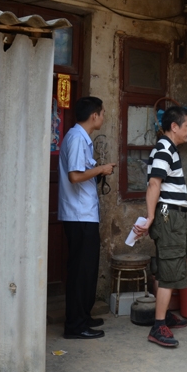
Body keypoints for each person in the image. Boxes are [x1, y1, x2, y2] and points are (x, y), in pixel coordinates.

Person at [133, 106, 187, 347]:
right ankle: (158, 326)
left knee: (167, 263)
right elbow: (154, 184)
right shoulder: (164, 149)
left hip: (170, 214)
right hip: (168, 214)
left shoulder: (168, 149)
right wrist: (150, 218)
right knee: (169, 266)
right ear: (174, 127)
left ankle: (164, 315)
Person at [58, 97, 116, 339]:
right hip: (78, 215)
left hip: (84, 214)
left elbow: (82, 172)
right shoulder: (76, 138)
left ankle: (83, 316)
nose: (103, 117)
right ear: (94, 115)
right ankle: (75, 325)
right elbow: (74, 176)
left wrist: (98, 171)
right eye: (102, 113)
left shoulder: (82, 138)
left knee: (87, 270)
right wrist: (101, 169)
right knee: (81, 272)